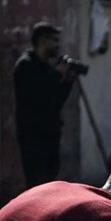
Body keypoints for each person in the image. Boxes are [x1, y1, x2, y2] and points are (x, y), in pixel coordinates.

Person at [13, 21, 77, 188]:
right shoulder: (25, 65)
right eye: (54, 40)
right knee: (36, 184)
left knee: (49, 183)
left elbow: (54, 101)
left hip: (51, 133)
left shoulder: (47, 67)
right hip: (33, 136)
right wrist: (57, 74)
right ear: (43, 41)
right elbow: (38, 95)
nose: (57, 45)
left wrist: (67, 83)